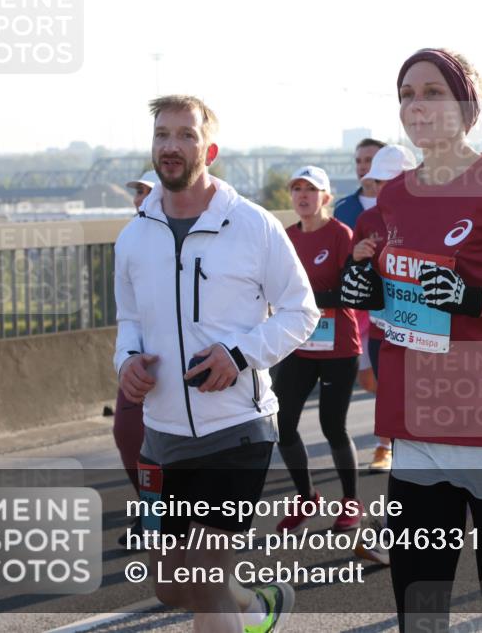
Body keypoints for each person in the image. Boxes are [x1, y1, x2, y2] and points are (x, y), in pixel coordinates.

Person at [341, 48, 482, 632]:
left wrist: (473, 300)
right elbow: (402, 298)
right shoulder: (391, 197)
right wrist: (366, 288)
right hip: (417, 434)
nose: (416, 105)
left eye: (432, 92)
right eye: (407, 95)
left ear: (467, 107)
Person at [114, 94, 318, 633]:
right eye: (162, 135)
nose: (171, 146)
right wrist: (127, 361)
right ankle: (257, 607)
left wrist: (239, 354)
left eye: (185, 134)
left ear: (210, 148)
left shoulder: (253, 226)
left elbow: (302, 311)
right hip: (162, 436)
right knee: (170, 586)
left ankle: (236, 610)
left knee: (205, 583)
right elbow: (128, 319)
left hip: (236, 431)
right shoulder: (134, 235)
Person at [274, 166, 364, 532]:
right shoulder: (286, 237)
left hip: (339, 347)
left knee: (333, 426)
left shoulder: (341, 235)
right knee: (282, 424)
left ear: (325, 198)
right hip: (298, 344)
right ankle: (306, 496)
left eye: (310, 190)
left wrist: (304, 301)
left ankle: (351, 502)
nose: (302, 196)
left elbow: (348, 292)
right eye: (296, 189)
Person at [349, 144, 419, 475]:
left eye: (389, 181)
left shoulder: (431, 215)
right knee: (387, 393)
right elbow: (352, 279)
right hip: (382, 325)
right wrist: (358, 258)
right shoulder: (366, 219)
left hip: (423, 326)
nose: (381, 189)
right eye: (377, 182)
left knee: (422, 397)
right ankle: (386, 447)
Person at [113, 169, 158, 549]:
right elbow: (125, 311)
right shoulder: (130, 236)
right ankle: (150, 511)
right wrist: (126, 354)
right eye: (137, 192)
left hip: (177, 358)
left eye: (146, 191)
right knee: (127, 433)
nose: (138, 198)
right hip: (138, 357)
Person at [334, 139, 386, 400]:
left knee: (391, 373)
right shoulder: (344, 208)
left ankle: (386, 437)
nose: (363, 166)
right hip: (358, 305)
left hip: (393, 301)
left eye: (370, 160)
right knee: (367, 378)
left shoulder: (403, 205)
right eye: (359, 161)